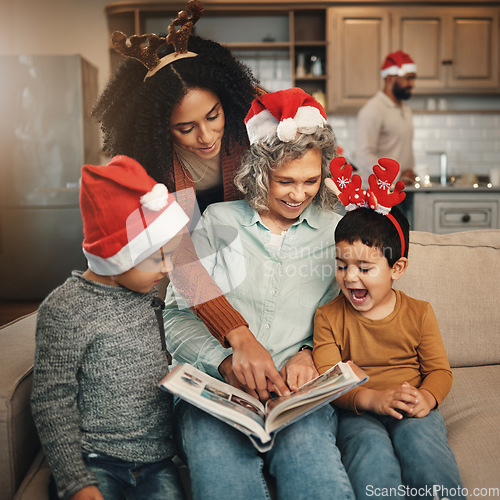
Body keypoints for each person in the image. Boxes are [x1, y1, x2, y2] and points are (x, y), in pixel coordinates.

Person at [92, 0, 288, 402]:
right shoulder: (148, 166)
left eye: (213, 115)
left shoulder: (251, 119)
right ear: (160, 128)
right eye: (185, 127)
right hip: (187, 270)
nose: (206, 136)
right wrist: (237, 333)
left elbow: (311, 163)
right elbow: (179, 255)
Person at [164, 88, 354, 500]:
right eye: (284, 180)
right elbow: (177, 317)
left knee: (314, 470)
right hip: (217, 394)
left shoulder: (334, 233)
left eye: (310, 180)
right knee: (221, 474)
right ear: (258, 172)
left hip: (296, 397)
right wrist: (225, 361)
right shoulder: (217, 221)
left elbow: (344, 316)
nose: (298, 194)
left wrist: (309, 352)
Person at [31, 156, 190, 500]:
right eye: (156, 258)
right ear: (115, 255)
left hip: (157, 462)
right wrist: (77, 482)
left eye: (171, 254)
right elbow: (51, 401)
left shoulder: (146, 294)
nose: (168, 268)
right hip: (95, 461)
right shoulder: (65, 309)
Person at [313, 158, 464, 499]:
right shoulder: (328, 316)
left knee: (424, 449)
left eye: (364, 267)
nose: (350, 277)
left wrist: (427, 396)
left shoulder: (420, 313)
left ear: (397, 268)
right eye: (341, 265)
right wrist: (372, 399)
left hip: (411, 406)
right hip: (358, 411)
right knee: (371, 455)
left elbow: (440, 370)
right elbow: (330, 380)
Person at [354, 50, 417, 186]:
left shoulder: (405, 109)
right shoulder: (373, 110)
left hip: (403, 189)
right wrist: (397, 176)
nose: (412, 84)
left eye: (413, 78)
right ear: (390, 78)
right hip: (378, 193)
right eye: (408, 78)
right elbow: (363, 155)